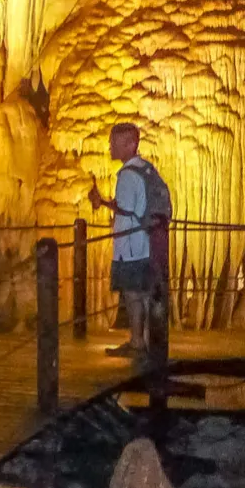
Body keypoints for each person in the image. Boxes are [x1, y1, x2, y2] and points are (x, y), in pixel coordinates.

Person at [88, 122, 169, 360]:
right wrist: (105, 202)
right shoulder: (146, 169)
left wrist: (101, 202)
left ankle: (136, 343)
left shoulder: (127, 175)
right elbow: (134, 207)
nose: (110, 147)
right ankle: (144, 339)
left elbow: (125, 209)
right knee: (143, 294)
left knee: (133, 295)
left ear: (131, 144)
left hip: (131, 246)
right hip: (147, 243)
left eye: (115, 143)